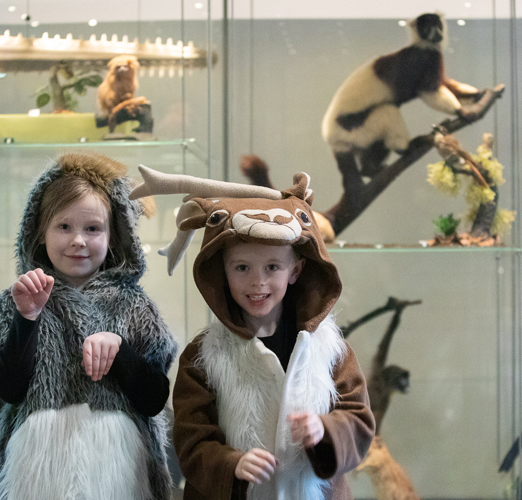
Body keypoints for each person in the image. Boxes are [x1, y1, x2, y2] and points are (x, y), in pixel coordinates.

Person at [129, 166, 375, 500]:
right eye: (242, 267)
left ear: (295, 271)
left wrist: (325, 430)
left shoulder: (330, 349)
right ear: (223, 270)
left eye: (272, 267)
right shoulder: (203, 356)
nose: (257, 282)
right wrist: (232, 464)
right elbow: (190, 439)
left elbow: (358, 420)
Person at [0, 152, 177, 500]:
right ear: (39, 231)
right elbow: (7, 391)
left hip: (117, 477)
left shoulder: (133, 306)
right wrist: (26, 319)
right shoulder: (15, 301)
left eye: (93, 228)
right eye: (64, 226)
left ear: (114, 235)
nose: (78, 240)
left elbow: (153, 399)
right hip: (33, 477)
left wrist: (120, 349)